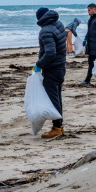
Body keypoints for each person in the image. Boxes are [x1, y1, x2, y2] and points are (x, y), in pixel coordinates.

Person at [33, 8, 66, 138]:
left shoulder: (45, 31)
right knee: (57, 97)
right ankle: (59, 125)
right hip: (61, 66)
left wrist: (39, 64)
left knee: (53, 98)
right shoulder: (58, 24)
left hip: (52, 69)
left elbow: (50, 52)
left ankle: (57, 128)